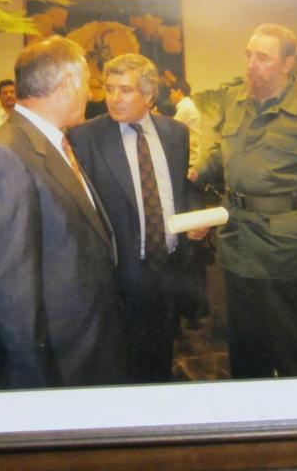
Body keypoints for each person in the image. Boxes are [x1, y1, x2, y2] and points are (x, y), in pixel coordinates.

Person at [189, 23, 297, 379]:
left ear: (288, 62)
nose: (251, 64)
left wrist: (295, 209)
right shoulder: (235, 101)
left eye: (263, 57)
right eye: (249, 55)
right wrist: (202, 168)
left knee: (294, 346)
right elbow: (224, 149)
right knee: (246, 346)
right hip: (237, 240)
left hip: (285, 247)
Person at [0, 36, 129, 390]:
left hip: (86, 345)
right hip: (61, 363)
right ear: (67, 83)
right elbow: (8, 297)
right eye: (88, 83)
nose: (91, 93)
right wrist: (38, 390)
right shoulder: (5, 157)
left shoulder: (54, 144)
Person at [69, 53, 207, 384]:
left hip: (169, 268)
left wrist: (193, 218)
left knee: (160, 361)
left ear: (148, 95)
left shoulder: (176, 134)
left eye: (125, 90)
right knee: (121, 368)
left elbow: (180, 187)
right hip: (119, 275)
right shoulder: (85, 137)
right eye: (109, 88)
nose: (113, 98)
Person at [169, 79, 202, 167]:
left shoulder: (185, 107)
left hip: (191, 157)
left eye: (172, 92)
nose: (170, 96)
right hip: (191, 154)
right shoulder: (187, 104)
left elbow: (171, 128)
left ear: (179, 92)